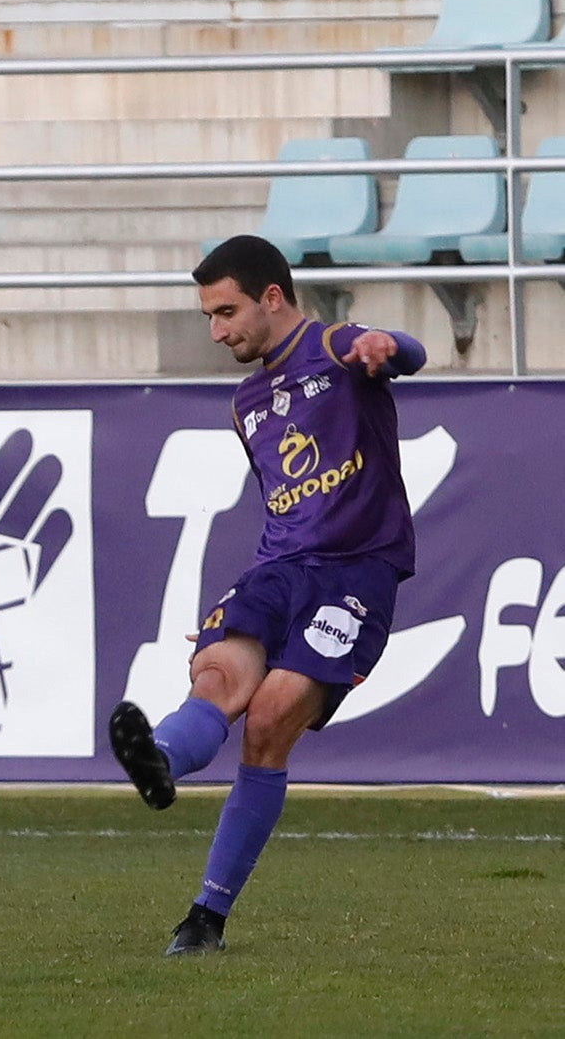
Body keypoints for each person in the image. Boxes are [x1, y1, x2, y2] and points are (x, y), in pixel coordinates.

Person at [108, 234, 427, 957]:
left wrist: (387, 344)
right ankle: (158, 760)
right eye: (209, 318)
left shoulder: (341, 347)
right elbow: (282, 504)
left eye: (226, 313)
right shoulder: (245, 403)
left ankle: (205, 918)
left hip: (356, 573)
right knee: (216, 674)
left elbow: (405, 350)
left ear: (272, 298)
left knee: (271, 718)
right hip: (277, 569)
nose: (218, 331)